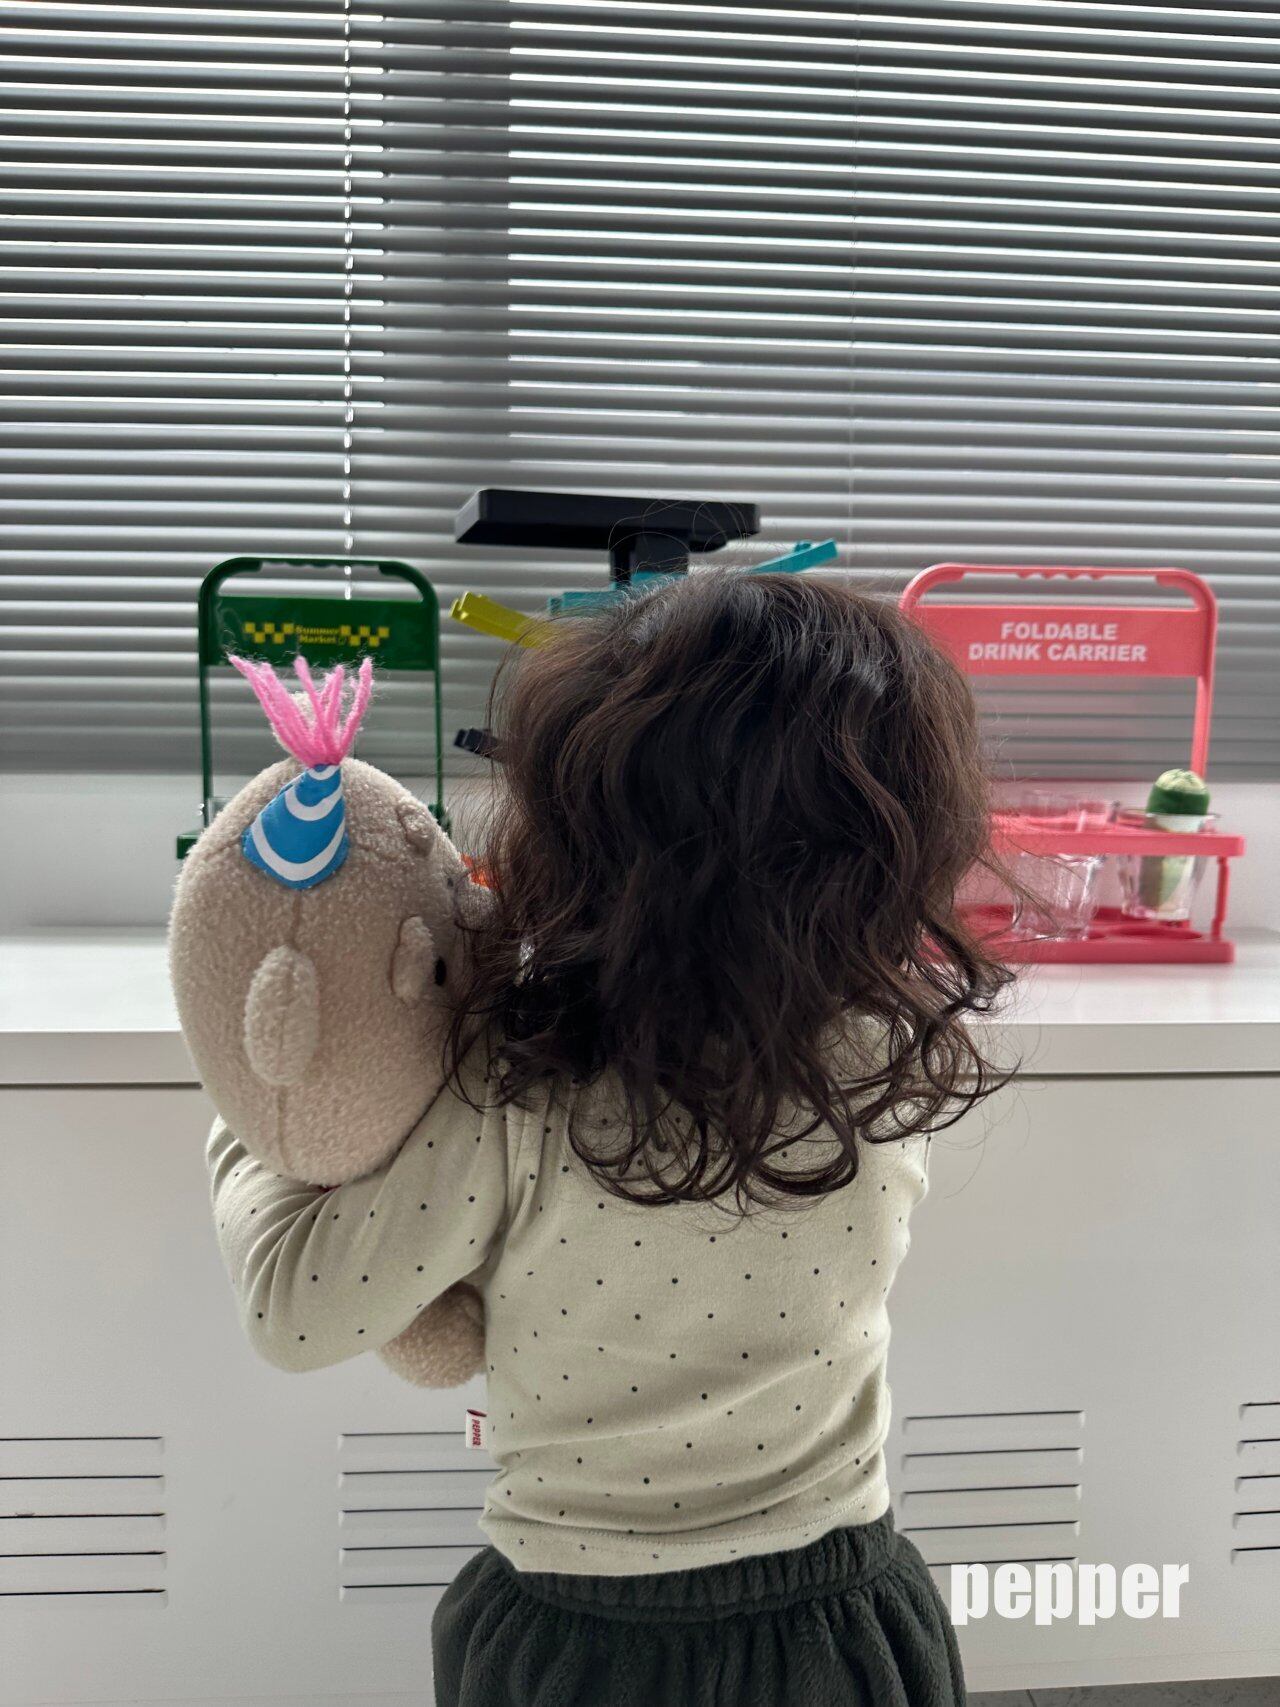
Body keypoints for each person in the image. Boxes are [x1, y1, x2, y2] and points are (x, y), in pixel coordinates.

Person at [207, 570, 1012, 1705]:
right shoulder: (883, 1055)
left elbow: (294, 1312)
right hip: (844, 1623)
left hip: (586, 1643)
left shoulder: (519, 1089)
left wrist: (252, 1122)